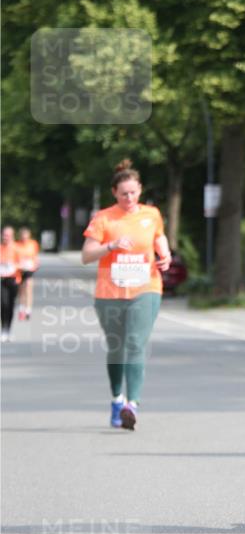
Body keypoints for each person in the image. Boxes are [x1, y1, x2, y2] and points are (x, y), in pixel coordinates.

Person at [82, 160, 172, 430]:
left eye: (133, 192)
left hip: (146, 288)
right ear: (114, 193)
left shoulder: (151, 214)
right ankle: (117, 398)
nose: (129, 198)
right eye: (123, 194)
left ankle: (132, 405)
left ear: (140, 189)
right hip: (109, 292)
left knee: (135, 343)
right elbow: (87, 255)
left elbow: (159, 237)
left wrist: (165, 254)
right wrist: (111, 245)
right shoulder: (103, 218)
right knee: (117, 347)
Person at [1, 226, 21, 342]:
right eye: (4, 235)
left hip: (14, 279)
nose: (6, 237)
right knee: (3, 304)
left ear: (12, 236)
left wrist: (14, 265)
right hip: (2, 279)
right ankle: (3, 329)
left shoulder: (17, 248)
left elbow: (23, 263)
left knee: (10, 305)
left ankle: (9, 329)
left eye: (8, 235)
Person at [16, 227, 40, 320]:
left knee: (29, 289)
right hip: (19, 270)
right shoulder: (16, 244)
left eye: (26, 235)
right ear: (20, 236)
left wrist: (36, 264)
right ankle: (21, 309)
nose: (24, 237)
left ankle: (28, 310)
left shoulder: (33, 244)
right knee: (21, 291)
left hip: (29, 269)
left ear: (29, 235)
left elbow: (35, 256)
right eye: (23, 235)